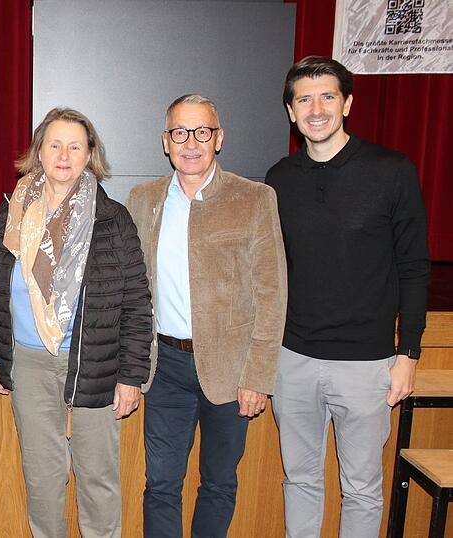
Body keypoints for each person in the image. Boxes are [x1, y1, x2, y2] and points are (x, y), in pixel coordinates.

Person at [266, 56, 430, 537]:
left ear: (348, 103)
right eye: (304, 99)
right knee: (299, 479)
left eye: (327, 96)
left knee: (360, 488)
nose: (316, 108)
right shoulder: (278, 180)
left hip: (367, 363)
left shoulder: (392, 171)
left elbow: (414, 267)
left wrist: (409, 353)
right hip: (292, 359)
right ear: (292, 112)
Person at [0, 107, 153, 538]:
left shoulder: (112, 220)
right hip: (30, 362)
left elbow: (136, 301)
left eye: (75, 145)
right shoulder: (11, 215)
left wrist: (132, 376)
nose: (64, 154)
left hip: (96, 364)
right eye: (54, 144)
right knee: (42, 480)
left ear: (89, 154)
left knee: (97, 480)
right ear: (38, 152)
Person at [126, 94, 287, 538]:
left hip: (231, 369)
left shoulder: (254, 198)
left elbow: (272, 295)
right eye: (180, 132)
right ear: (166, 141)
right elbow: (132, 292)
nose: (190, 142)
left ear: (219, 138)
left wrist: (258, 375)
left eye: (202, 132)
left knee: (218, 482)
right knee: (160, 484)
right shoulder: (143, 200)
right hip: (166, 368)